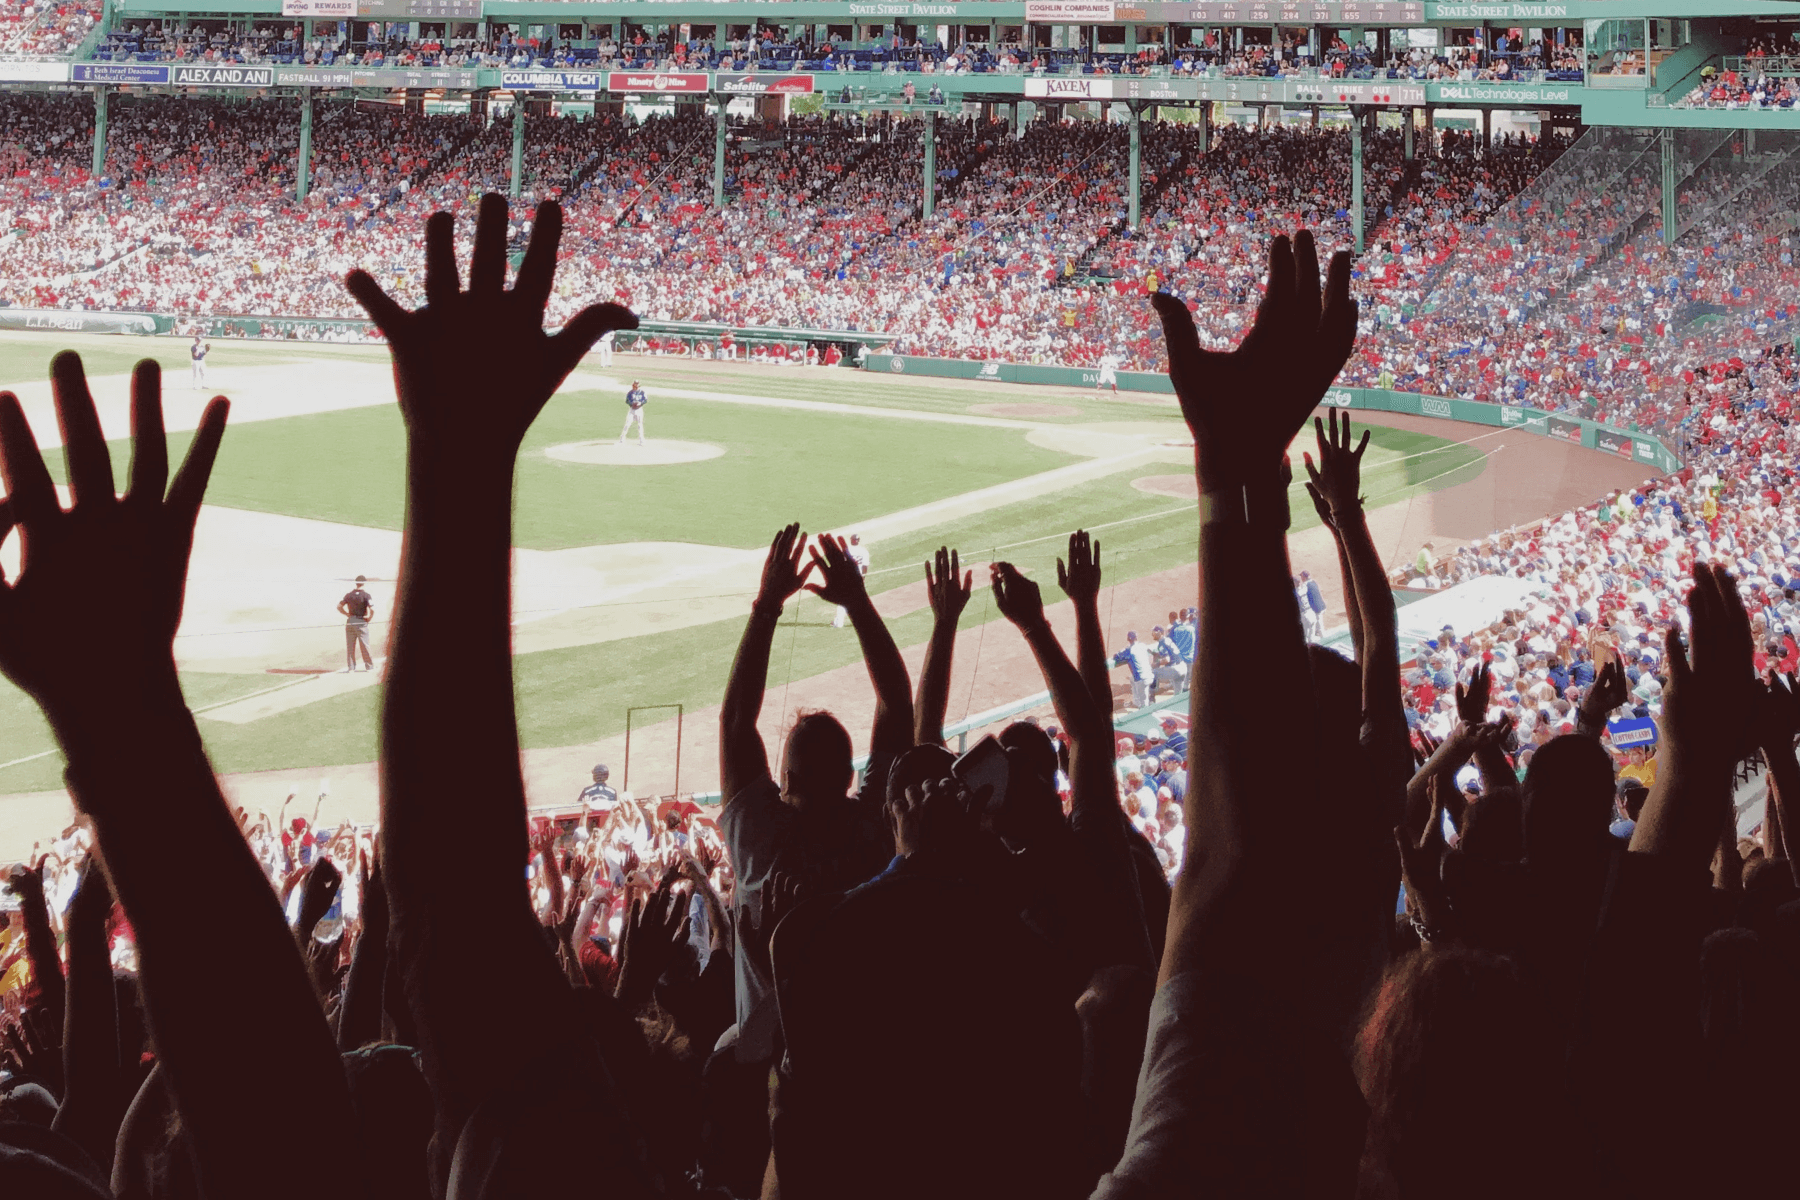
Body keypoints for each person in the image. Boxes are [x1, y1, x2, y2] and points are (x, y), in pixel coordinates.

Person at [830, 533, 871, 629]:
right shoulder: (862, 551)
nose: (855, 540)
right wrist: (863, 577)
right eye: (854, 539)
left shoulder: (846, 550)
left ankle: (839, 623)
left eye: (855, 539)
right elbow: (865, 565)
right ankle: (863, 622)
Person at [336, 574, 374, 672]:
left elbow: (339, 607)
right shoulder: (366, 595)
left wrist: (347, 614)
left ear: (356, 583)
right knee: (364, 645)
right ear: (364, 583)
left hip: (350, 621)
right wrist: (369, 618)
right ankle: (369, 667)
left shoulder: (348, 595)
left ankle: (351, 668)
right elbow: (372, 609)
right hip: (361, 621)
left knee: (350, 646)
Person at [1111, 630, 1154, 709]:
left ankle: (1143, 708)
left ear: (1128, 639)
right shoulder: (1143, 645)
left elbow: (1116, 657)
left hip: (1142, 679)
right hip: (1150, 675)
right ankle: (1136, 702)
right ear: (1136, 638)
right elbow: (1151, 652)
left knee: (1144, 705)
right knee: (1132, 679)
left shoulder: (1129, 650)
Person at [1297, 569, 1326, 641]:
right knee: (1317, 625)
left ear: (1304, 577)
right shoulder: (1314, 582)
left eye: (1301, 576)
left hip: (1315, 609)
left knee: (1318, 627)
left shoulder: (1305, 585)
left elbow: (1301, 595)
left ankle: (1325, 641)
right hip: (1321, 606)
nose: (1301, 578)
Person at [618, 379, 647, 444]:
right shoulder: (630, 393)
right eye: (634, 385)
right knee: (627, 424)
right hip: (632, 410)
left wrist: (640, 404)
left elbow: (645, 400)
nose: (635, 386)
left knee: (640, 425)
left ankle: (641, 440)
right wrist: (631, 404)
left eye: (637, 385)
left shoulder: (642, 392)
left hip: (639, 410)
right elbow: (627, 401)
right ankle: (622, 439)